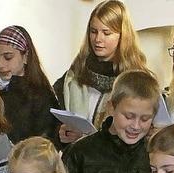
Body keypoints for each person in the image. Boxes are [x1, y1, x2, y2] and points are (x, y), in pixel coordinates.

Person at [53, 0, 151, 145]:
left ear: (122, 36)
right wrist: (62, 132)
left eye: (106, 33)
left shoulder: (138, 81)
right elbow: (55, 120)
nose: (98, 39)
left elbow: (139, 136)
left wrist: (86, 139)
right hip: (75, 160)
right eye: (93, 31)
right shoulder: (75, 74)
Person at [0, 25, 60, 144]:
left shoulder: (42, 97)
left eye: (8, 57)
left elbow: (45, 143)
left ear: (25, 57)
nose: (0, 65)